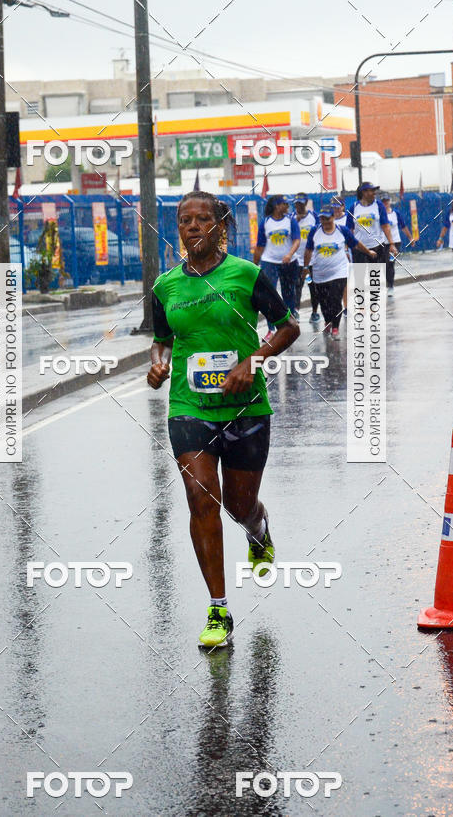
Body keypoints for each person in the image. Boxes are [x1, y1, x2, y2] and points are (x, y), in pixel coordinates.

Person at [148, 191, 300, 647]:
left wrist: (251, 362)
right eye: (184, 220)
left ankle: (258, 529)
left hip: (246, 406)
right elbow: (161, 339)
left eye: (201, 219)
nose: (192, 227)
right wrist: (158, 363)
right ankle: (218, 610)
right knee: (200, 499)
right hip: (189, 407)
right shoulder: (164, 287)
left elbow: (289, 327)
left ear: (221, 227)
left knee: (239, 506)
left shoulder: (245, 275)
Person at [302, 204, 376, 340]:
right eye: (322, 219)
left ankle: (335, 327)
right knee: (324, 302)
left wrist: (368, 252)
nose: (325, 222)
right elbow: (308, 250)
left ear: (333, 217)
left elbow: (355, 243)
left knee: (335, 300)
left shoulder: (342, 231)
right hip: (320, 273)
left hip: (339, 271)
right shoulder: (314, 231)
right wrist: (305, 268)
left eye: (327, 218)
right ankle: (328, 320)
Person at [253, 195, 300, 341]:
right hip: (269, 262)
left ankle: (291, 325)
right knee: (269, 295)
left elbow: (297, 240)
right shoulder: (265, 222)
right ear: (276, 206)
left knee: (289, 293)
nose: (287, 206)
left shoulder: (290, 221)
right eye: (284, 204)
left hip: (289, 262)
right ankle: (270, 329)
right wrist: (254, 265)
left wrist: (289, 254)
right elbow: (260, 245)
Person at [346, 182, 395, 264]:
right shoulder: (354, 207)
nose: (374, 193)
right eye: (371, 190)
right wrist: (347, 249)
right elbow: (349, 230)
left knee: (375, 276)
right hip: (359, 249)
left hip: (377, 247)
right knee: (360, 276)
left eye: (374, 190)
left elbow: (385, 226)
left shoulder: (378, 205)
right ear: (364, 192)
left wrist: (391, 244)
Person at [380, 193, 415, 296]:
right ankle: (384, 284)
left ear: (390, 202)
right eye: (383, 202)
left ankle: (390, 286)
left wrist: (410, 238)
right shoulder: (379, 214)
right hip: (382, 243)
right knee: (383, 264)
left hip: (395, 242)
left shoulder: (396, 213)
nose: (385, 203)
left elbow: (403, 226)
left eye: (387, 201)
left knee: (390, 263)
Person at [292, 192, 320, 322]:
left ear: (305, 203)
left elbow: (321, 232)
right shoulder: (291, 217)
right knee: (297, 286)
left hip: (312, 259)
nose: (299, 206)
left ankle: (314, 312)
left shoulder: (314, 217)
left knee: (313, 287)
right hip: (296, 259)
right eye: (297, 204)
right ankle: (295, 310)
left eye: (301, 204)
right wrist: (295, 221)